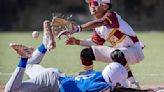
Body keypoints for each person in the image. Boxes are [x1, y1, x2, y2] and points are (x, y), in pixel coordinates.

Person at [4, 20, 128, 92]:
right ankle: (24, 57)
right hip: (52, 83)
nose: (119, 85)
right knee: (10, 91)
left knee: (30, 65)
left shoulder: (98, 74)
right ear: (112, 81)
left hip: (55, 76)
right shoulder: (101, 87)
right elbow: (111, 88)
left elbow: (82, 75)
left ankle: (44, 45)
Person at [65, 0, 144, 89]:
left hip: (134, 51)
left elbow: (101, 22)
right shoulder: (98, 28)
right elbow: (95, 43)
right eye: (90, 4)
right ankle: (89, 79)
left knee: (116, 53)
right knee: (86, 53)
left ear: (105, 6)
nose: (91, 6)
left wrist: (79, 28)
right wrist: (77, 41)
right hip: (120, 52)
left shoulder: (111, 16)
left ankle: (133, 83)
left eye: (94, 3)